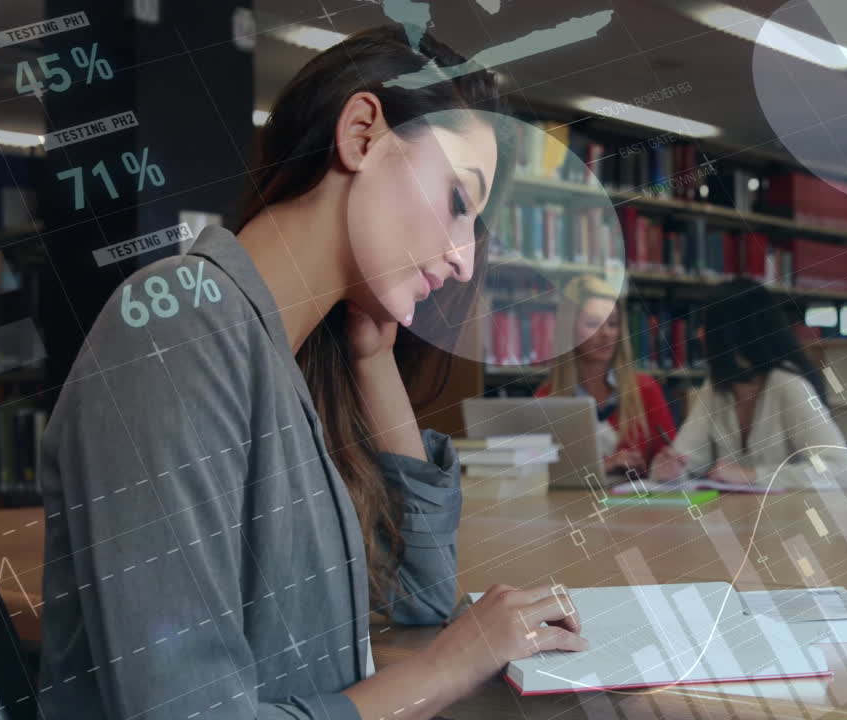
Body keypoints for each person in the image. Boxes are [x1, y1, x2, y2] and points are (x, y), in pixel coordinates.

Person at [38, 26, 586, 720]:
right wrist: (452, 665)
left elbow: (418, 599)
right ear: (361, 133)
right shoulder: (176, 328)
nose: (463, 262)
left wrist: (372, 359)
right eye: (457, 201)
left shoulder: (285, 361)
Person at [649, 278, 847, 490]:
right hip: (733, 517)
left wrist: (752, 475)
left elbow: (843, 471)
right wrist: (671, 469)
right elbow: (688, 459)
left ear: (730, 332)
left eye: (707, 325)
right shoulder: (716, 387)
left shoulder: (788, 384)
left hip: (791, 518)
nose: (698, 334)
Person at [535, 274, 677, 474]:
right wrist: (602, 467)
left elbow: (668, 458)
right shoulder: (546, 400)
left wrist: (665, 465)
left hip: (638, 503)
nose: (606, 333)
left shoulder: (645, 388)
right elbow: (537, 473)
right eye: (593, 324)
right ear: (569, 330)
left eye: (613, 323)